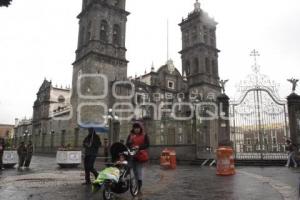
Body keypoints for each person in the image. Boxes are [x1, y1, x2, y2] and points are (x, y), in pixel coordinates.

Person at [126, 121, 150, 198]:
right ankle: (135, 185)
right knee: (134, 172)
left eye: (138, 128)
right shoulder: (130, 135)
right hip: (132, 156)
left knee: (139, 172)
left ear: (140, 128)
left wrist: (139, 147)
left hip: (140, 156)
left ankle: (138, 188)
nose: (136, 129)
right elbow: (127, 144)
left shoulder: (144, 135)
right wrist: (130, 144)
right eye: (135, 128)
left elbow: (147, 144)